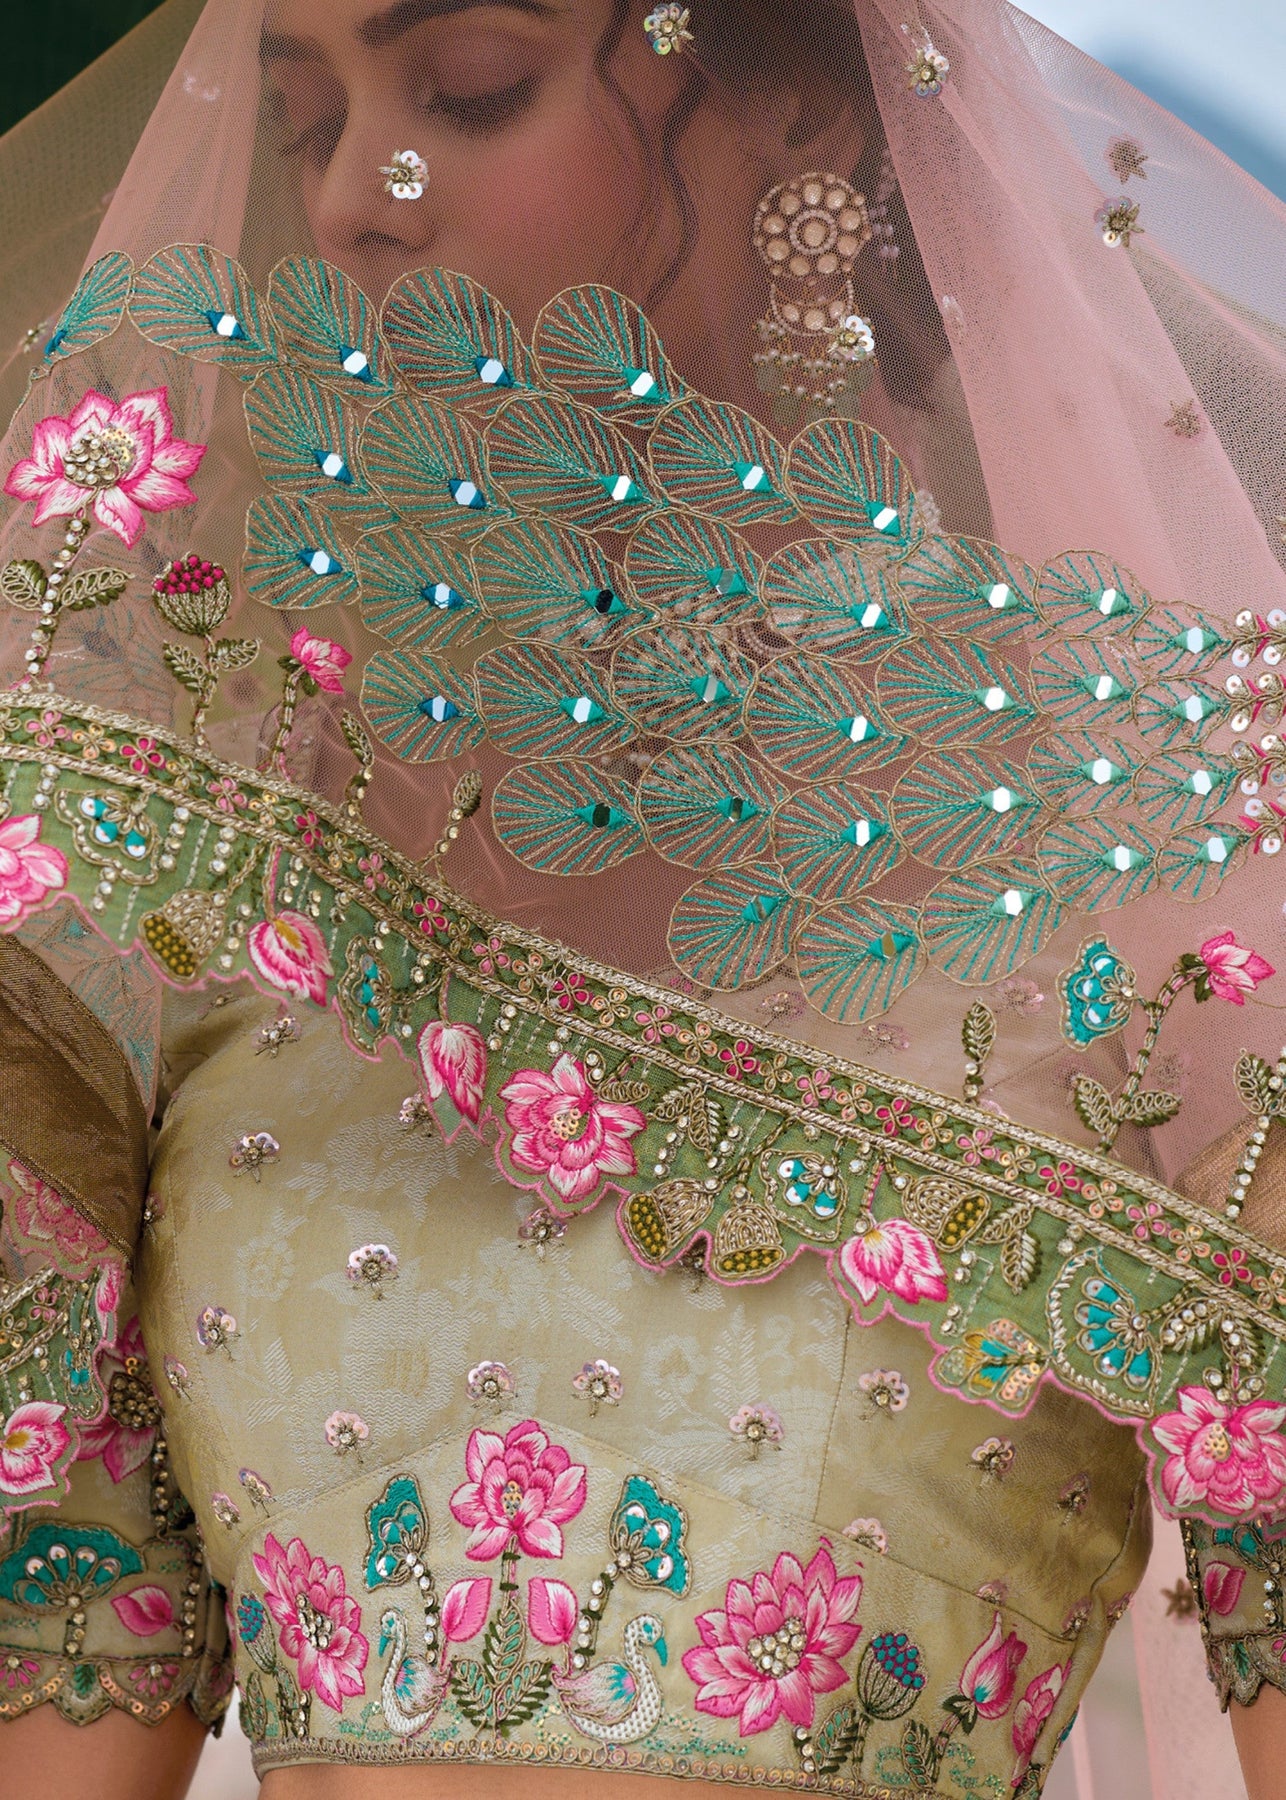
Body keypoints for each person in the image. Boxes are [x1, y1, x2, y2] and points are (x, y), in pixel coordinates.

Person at [0, 2, 1284, 1796]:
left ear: (797, 116)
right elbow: (69, 1663)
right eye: (302, 117)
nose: (355, 195)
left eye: (467, 88)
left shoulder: (1158, 899)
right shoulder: (188, 876)